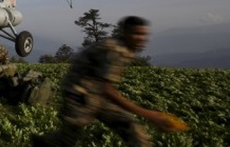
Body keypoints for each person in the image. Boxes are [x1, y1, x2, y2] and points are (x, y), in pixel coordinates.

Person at [33, 16, 178, 147]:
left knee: (134, 130)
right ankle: (43, 143)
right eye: (136, 34)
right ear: (125, 33)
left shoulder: (125, 48)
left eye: (143, 34)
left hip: (95, 95)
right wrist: (149, 114)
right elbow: (107, 89)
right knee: (66, 142)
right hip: (78, 96)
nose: (141, 38)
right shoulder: (115, 49)